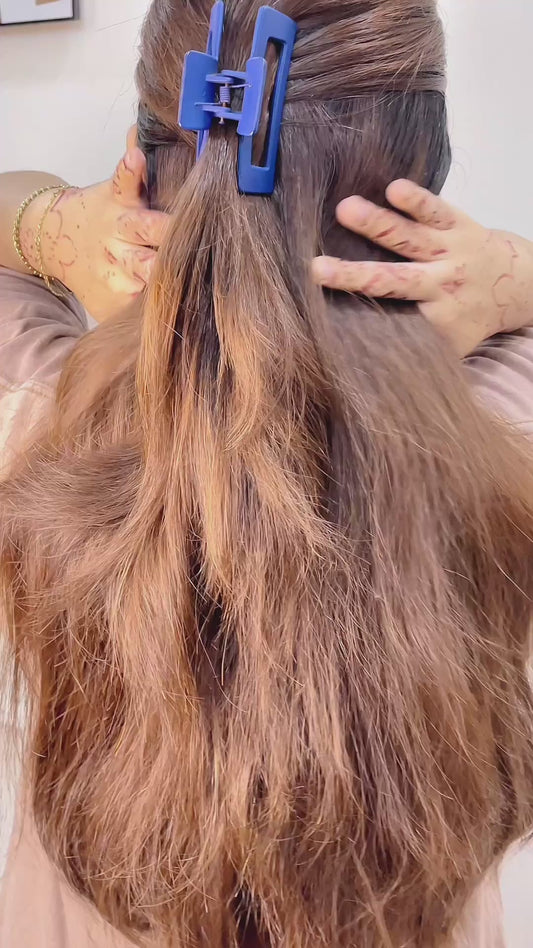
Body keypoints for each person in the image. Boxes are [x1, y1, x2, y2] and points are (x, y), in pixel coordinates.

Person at [0, 1, 532, 947]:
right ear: (426, 172)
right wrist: (518, 277)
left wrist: (48, 228)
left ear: (145, 171)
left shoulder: (45, 418)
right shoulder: (503, 433)